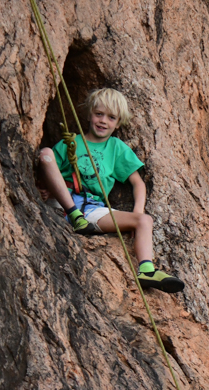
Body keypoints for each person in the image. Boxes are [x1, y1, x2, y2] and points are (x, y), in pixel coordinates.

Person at [37, 88, 184, 293]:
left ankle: (147, 270)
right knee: (45, 153)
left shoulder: (116, 148)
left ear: (118, 122)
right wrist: (43, 188)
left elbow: (138, 183)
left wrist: (137, 213)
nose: (103, 121)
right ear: (89, 115)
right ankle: (74, 214)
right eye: (99, 114)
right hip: (63, 203)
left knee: (145, 221)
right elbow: (46, 167)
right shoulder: (71, 142)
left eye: (111, 117)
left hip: (92, 210)